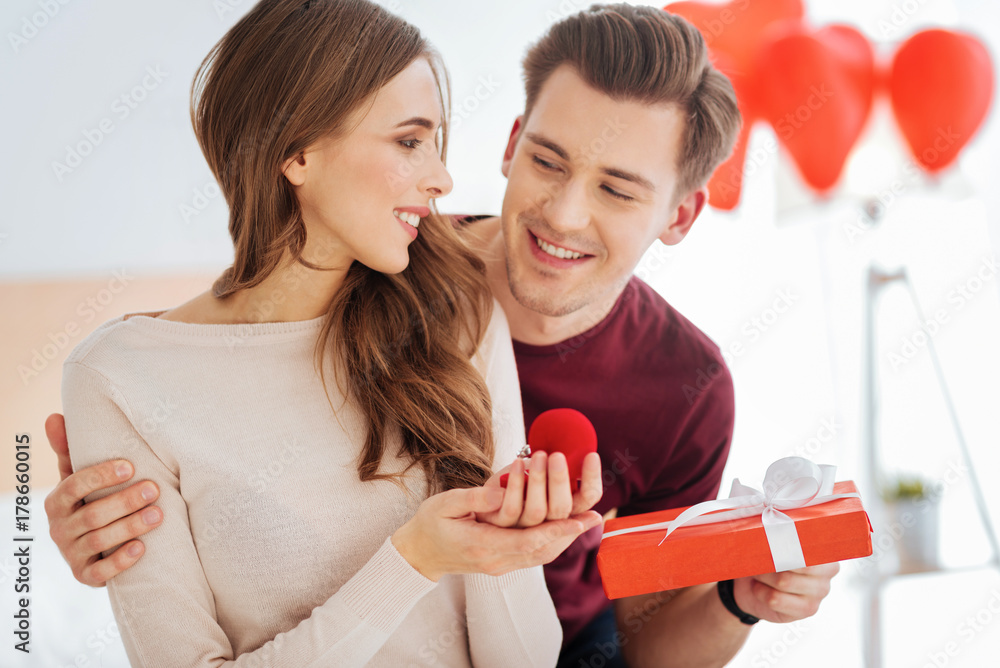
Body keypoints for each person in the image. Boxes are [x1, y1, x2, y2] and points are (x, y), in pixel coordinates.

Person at [47, 4, 840, 667]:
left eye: (617, 190)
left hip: (570, 637)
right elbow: (248, 336)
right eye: (548, 161)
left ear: (680, 215)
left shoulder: (685, 385)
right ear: (512, 142)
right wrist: (131, 522)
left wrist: (740, 598)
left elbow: (639, 638)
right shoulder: (383, 256)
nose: (563, 215)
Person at [54, 1, 604, 666]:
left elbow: (522, 658)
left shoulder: (455, 312)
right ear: (297, 152)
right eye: (408, 141)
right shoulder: (120, 378)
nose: (443, 178)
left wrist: (511, 550)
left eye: (436, 141)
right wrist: (414, 559)